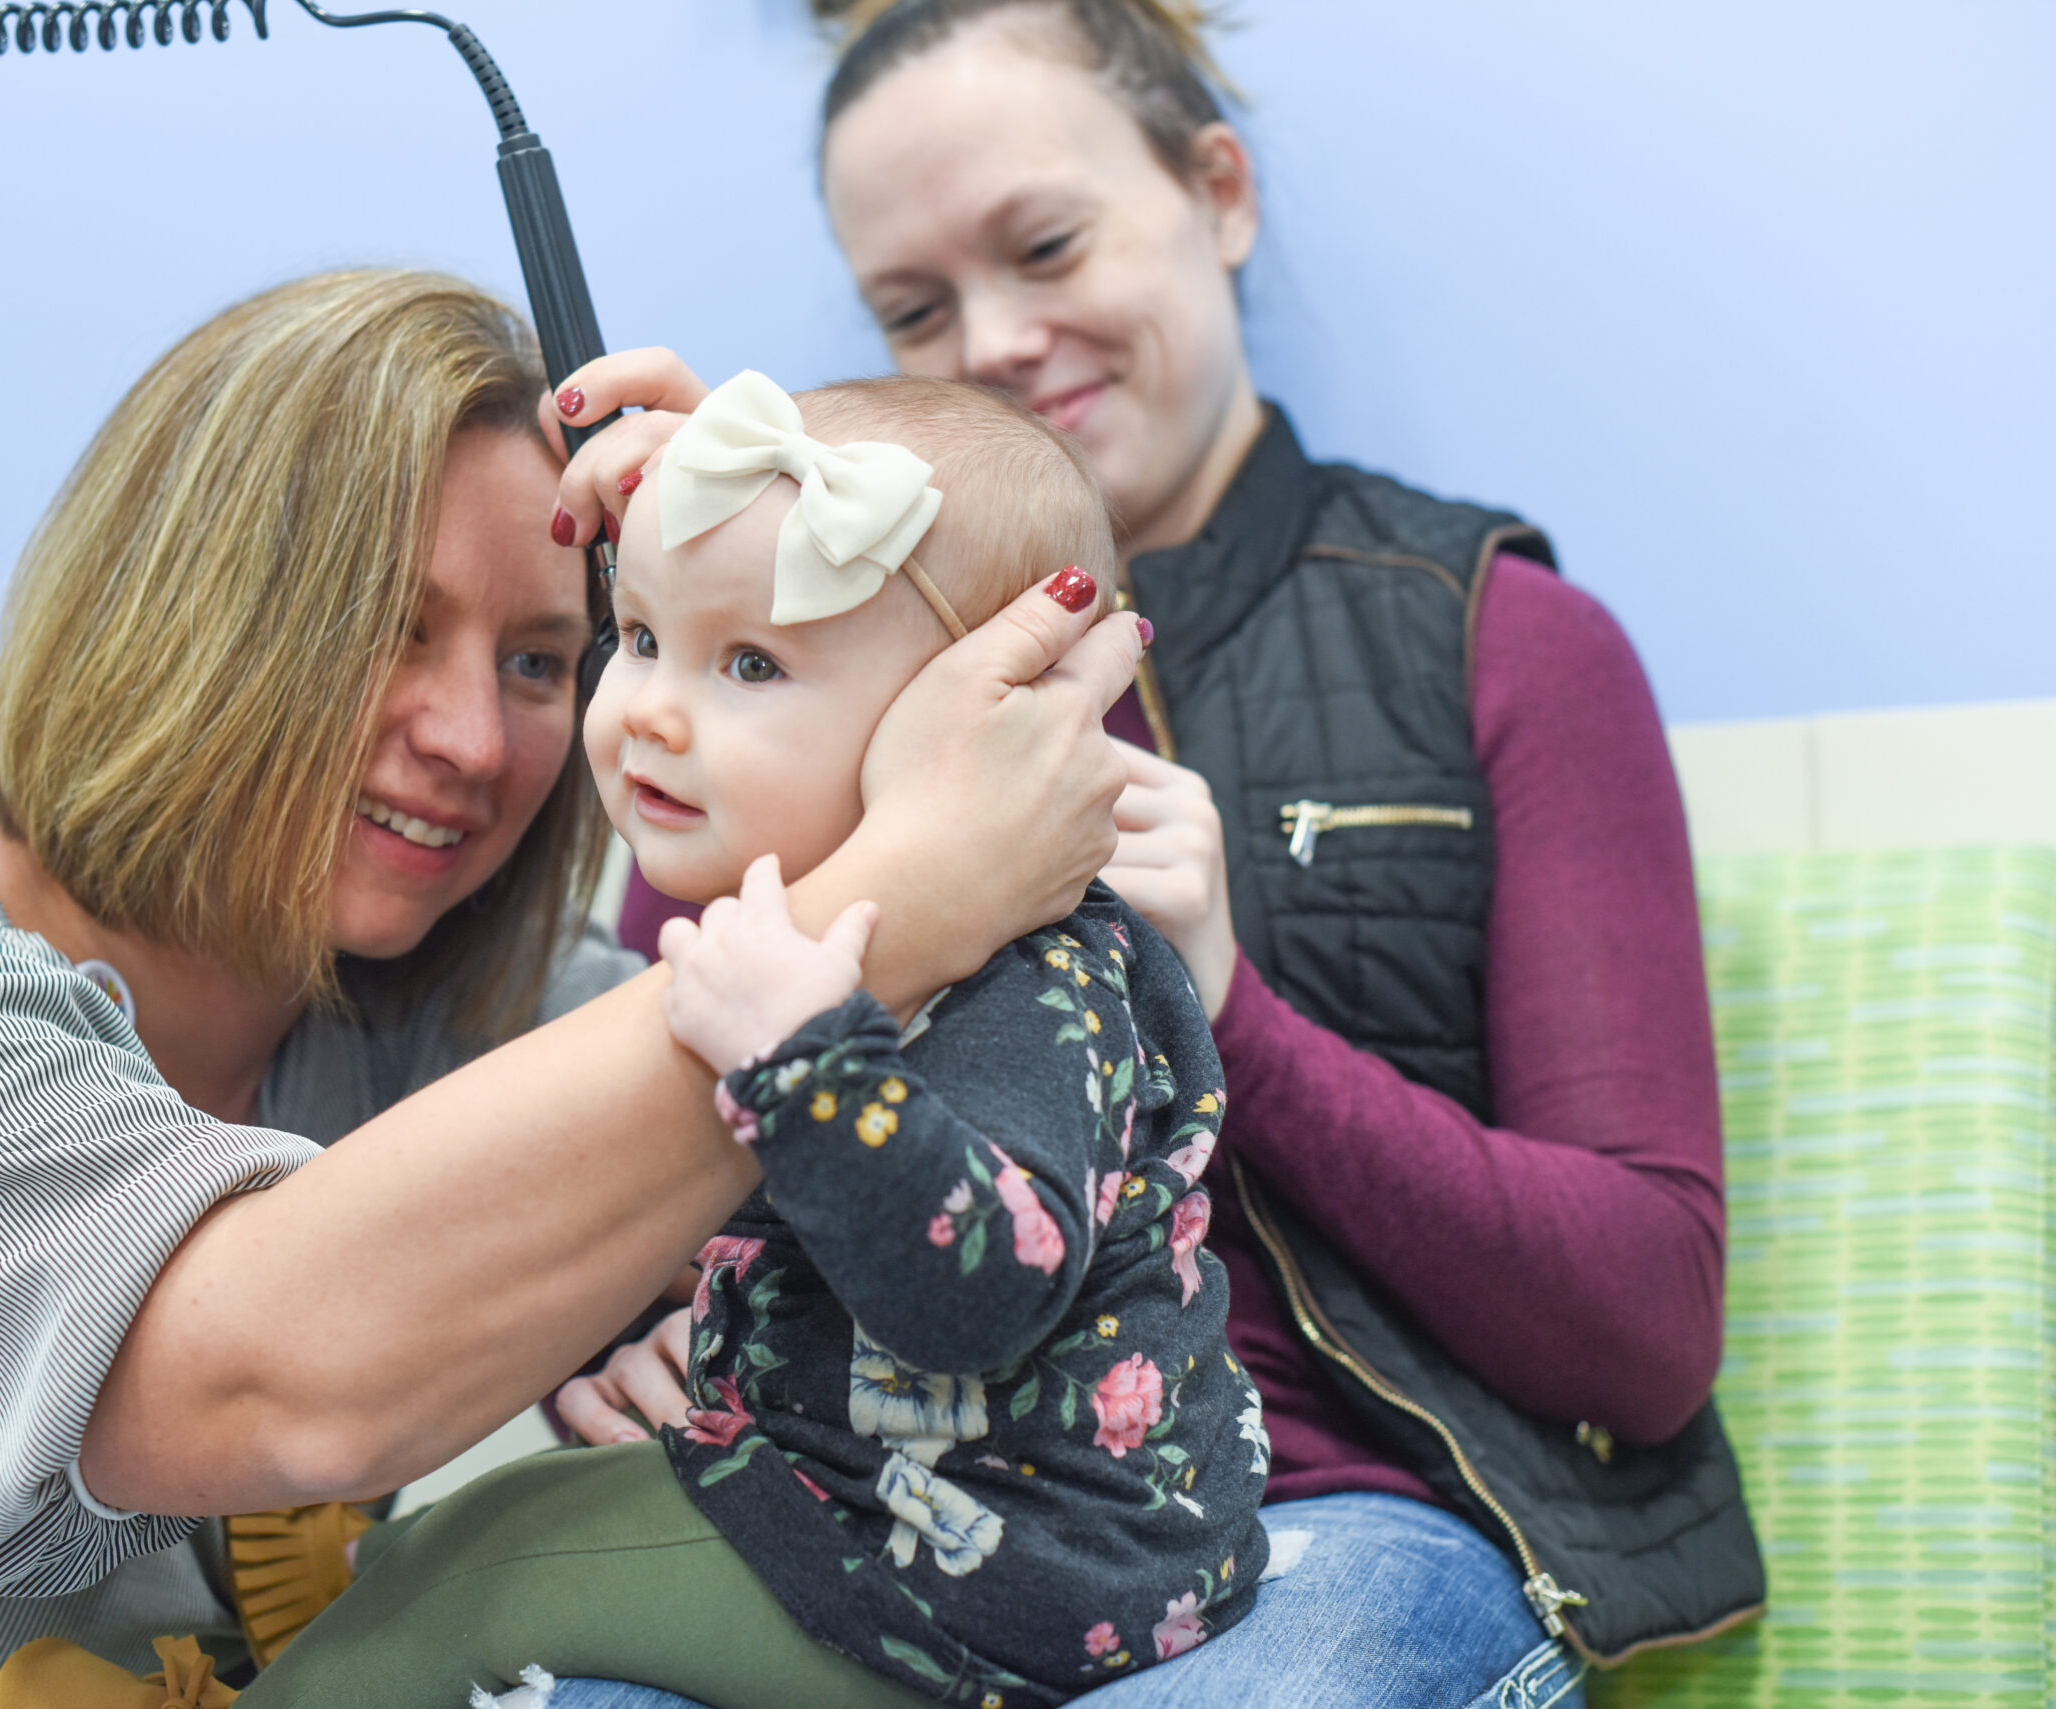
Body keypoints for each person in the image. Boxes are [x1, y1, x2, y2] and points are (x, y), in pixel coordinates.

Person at [0, 270, 1146, 1709]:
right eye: (386, 634)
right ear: (178, 613)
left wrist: (768, 607)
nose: (472, 738)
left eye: (544, 662)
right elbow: (276, 1377)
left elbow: (911, 1118)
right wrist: (918, 886)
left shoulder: (429, 1008)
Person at [550, 3, 1764, 1705]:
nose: (994, 341)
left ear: (1220, 192)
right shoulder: (773, 691)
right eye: (913, 309)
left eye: (1045, 245)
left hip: (1338, 1528)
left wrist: (1229, 1012)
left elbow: (1645, 1330)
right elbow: (638, 1143)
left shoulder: (1500, 639)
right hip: (871, 1515)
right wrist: (717, 602)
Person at [176, 372, 1270, 1709]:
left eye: (749, 663)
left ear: (982, 711)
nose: (649, 708)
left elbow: (982, 1290)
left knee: (468, 1570)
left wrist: (804, 1063)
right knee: (454, 1535)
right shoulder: (829, 935)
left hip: (1010, 1570)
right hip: (899, 1501)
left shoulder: (1028, 980)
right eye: (635, 637)